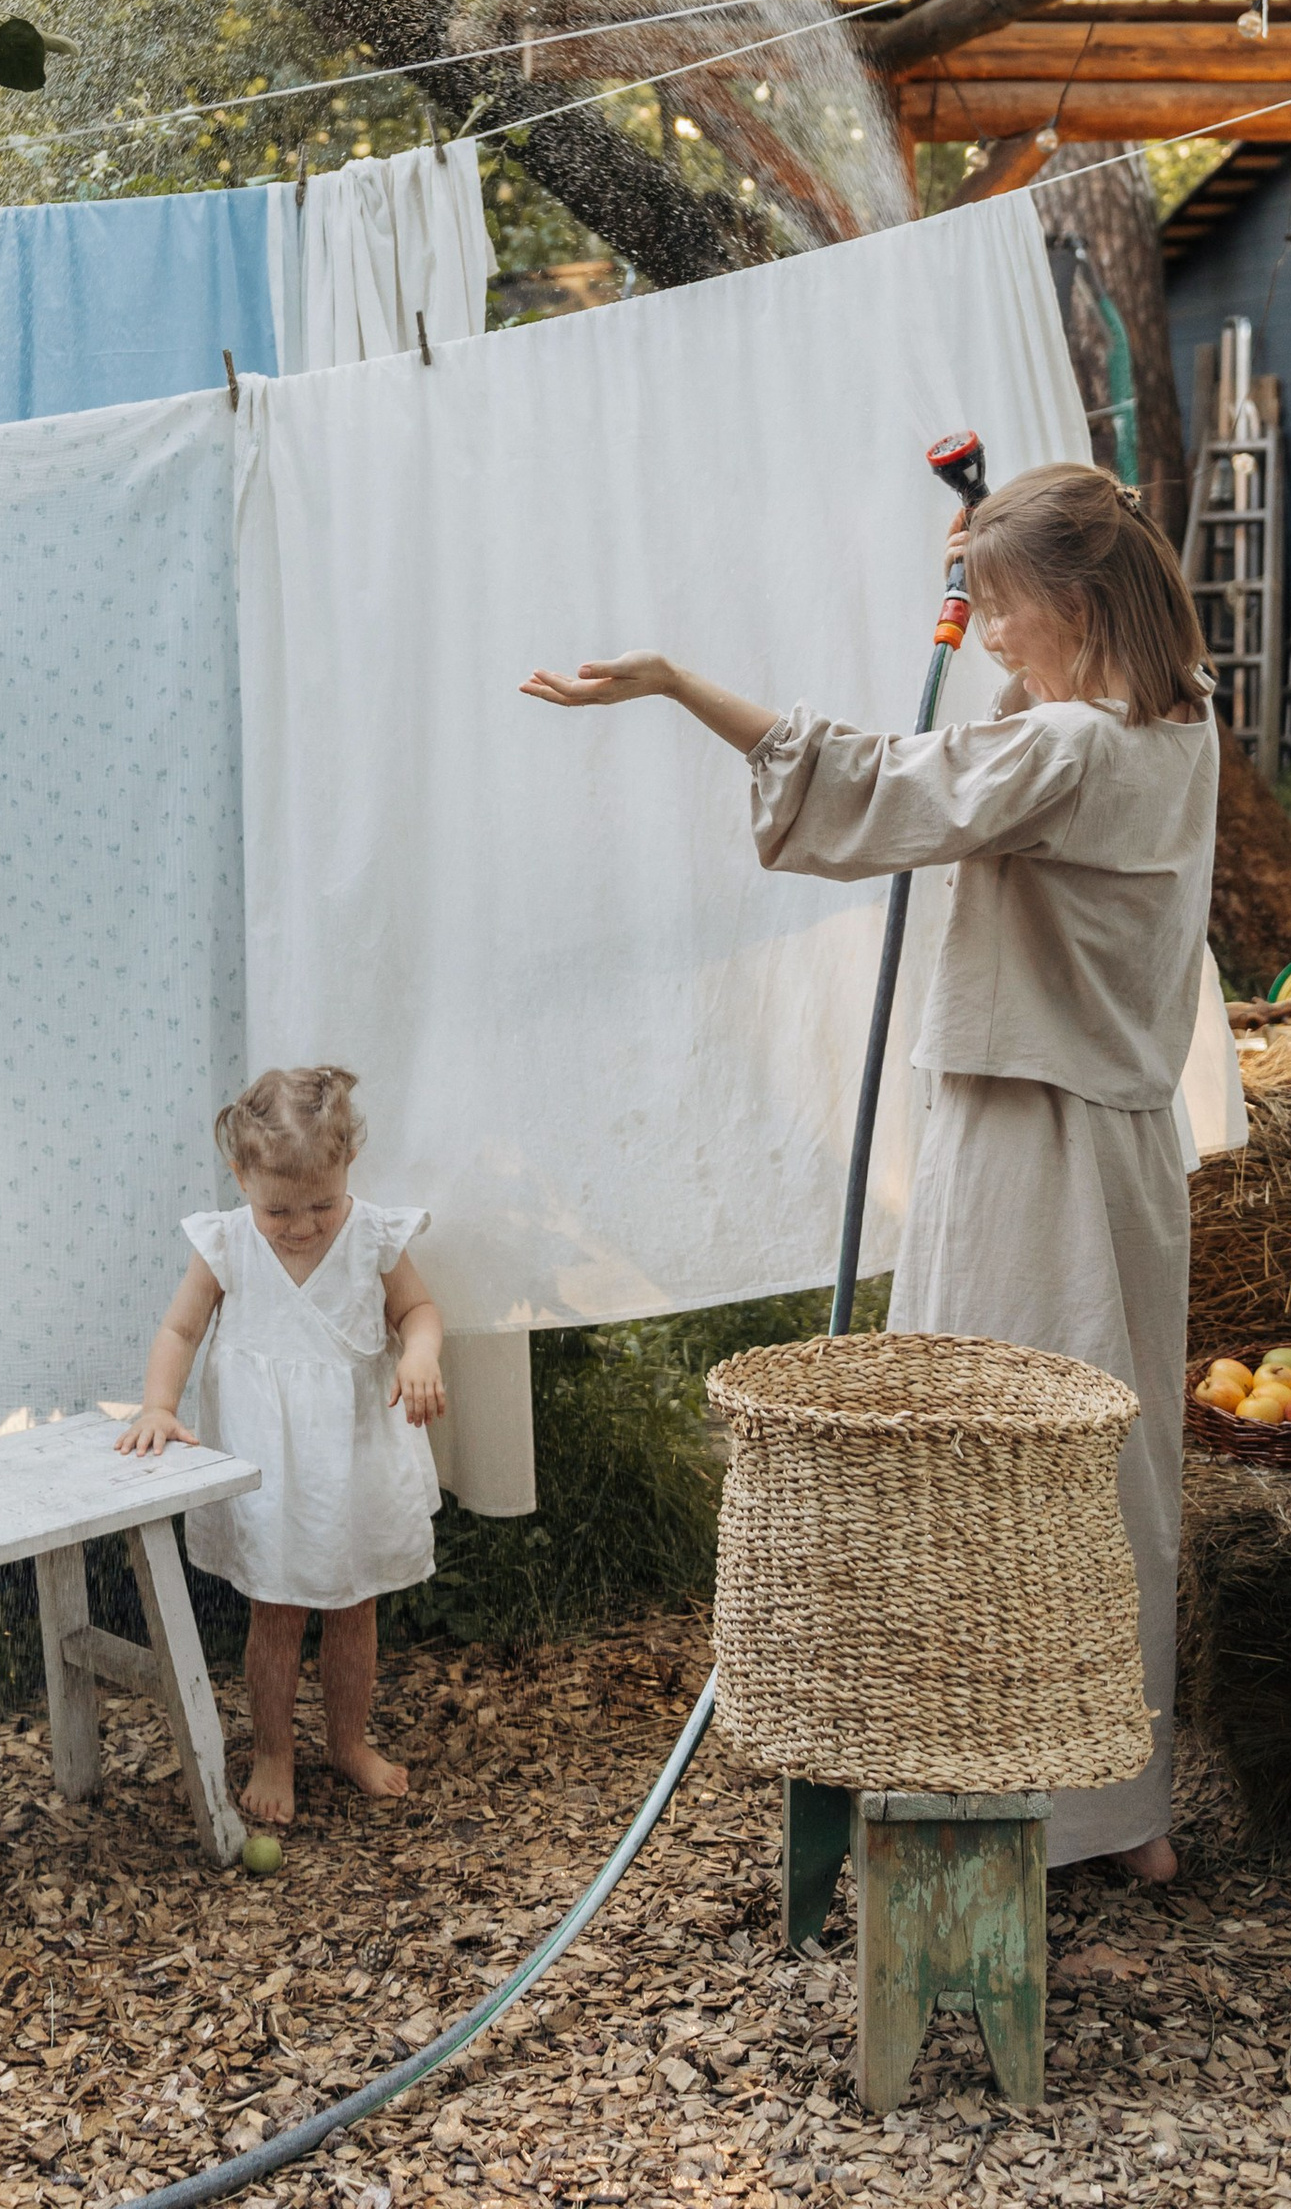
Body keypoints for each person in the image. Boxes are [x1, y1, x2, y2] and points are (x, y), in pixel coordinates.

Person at [521, 461, 1218, 1885]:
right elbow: (1022, 738)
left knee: (982, 1474)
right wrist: (995, 562)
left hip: (1030, 1143)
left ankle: (1012, 1810)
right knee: (1108, 1474)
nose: (987, 632)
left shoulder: (1065, 753)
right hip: (1123, 1146)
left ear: (1079, 608)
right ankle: (1118, 1809)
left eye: (1005, 610)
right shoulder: (1176, 723)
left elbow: (879, 784)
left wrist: (674, 683)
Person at [119, 1062, 447, 1825]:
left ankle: (346, 1740)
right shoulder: (229, 1242)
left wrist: (420, 1353)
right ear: (241, 1176)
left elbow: (418, 1310)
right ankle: (273, 1750)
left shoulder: (371, 1235)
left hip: (354, 1455)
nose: (301, 1225)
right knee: (276, 1611)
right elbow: (180, 1328)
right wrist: (157, 1406)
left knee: (355, 1606)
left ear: (347, 1170)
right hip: (272, 1464)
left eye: (320, 1205)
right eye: (280, 1211)